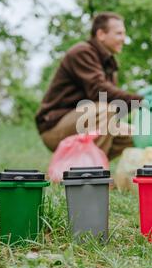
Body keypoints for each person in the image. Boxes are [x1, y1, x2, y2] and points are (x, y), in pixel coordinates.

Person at [35, 12, 143, 160]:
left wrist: (139, 104)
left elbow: (115, 106)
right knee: (106, 108)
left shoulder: (109, 65)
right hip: (55, 126)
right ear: (101, 34)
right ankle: (90, 173)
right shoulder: (82, 52)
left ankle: (77, 165)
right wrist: (141, 101)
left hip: (82, 121)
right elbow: (99, 91)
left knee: (139, 135)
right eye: (119, 34)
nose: (123, 39)